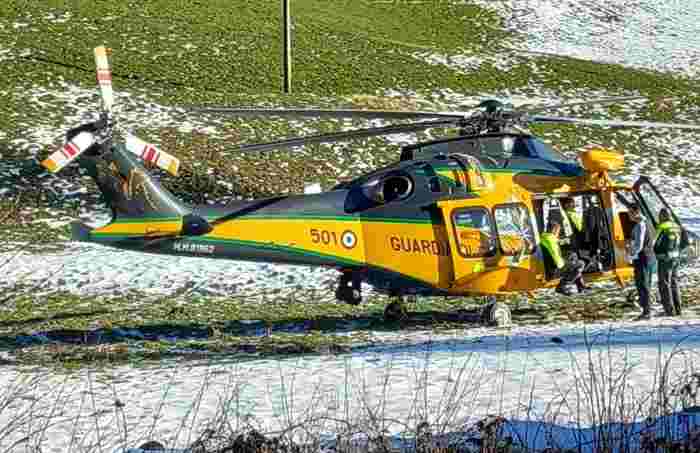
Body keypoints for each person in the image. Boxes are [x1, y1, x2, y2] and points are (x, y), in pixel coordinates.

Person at [540, 220, 587, 296]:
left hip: (547, 267)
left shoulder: (544, 237)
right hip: (552, 271)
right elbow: (559, 263)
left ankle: (580, 286)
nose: (558, 233)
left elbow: (554, 241)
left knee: (573, 255)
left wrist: (562, 241)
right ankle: (563, 285)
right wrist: (569, 264)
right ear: (554, 229)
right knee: (580, 263)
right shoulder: (551, 241)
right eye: (558, 230)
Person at [627, 204, 655, 319]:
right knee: (645, 283)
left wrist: (630, 252)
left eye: (630, 213)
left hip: (642, 258)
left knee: (642, 284)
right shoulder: (647, 223)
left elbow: (639, 244)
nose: (629, 215)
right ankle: (646, 309)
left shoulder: (640, 225)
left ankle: (646, 311)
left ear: (636, 212)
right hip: (648, 257)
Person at [654, 208, 683, 316]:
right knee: (674, 282)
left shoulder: (662, 226)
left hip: (665, 258)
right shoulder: (676, 226)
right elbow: (681, 242)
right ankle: (678, 308)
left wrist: (655, 253)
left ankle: (669, 310)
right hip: (675, 257)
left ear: (662, 216)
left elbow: (654, 241)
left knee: (664, 283)